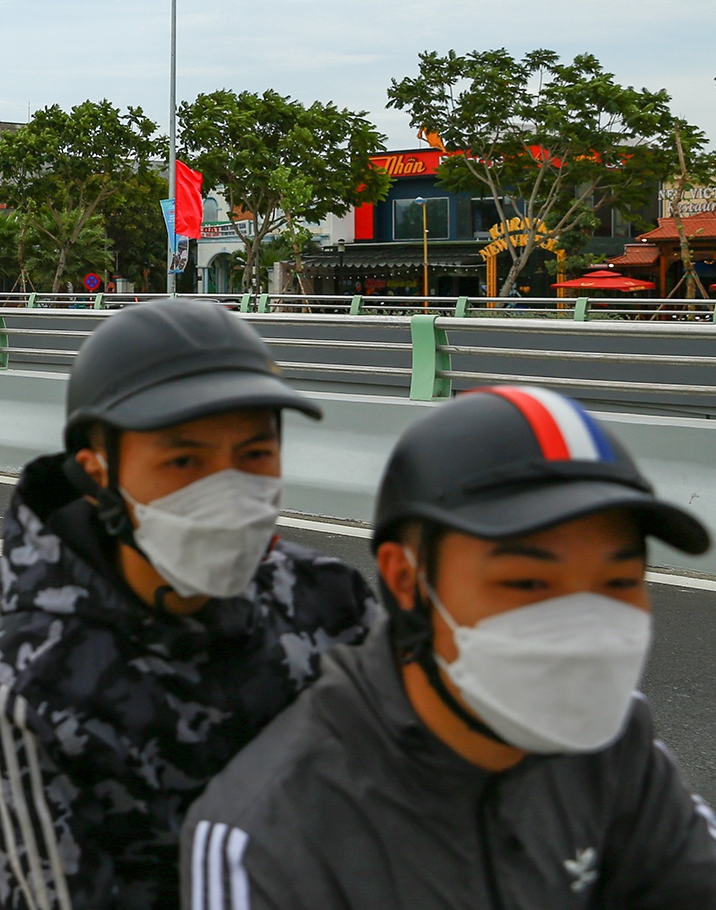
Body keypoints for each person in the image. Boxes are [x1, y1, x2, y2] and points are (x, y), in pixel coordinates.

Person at [182, 385, 716, 908]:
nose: (586, 634)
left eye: (619, 583)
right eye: (527, 584)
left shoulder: (614, 739)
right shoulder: (273, 832)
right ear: (404, 577)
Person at [0, 299, 377, 910]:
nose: (227, 490)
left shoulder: (326, 595)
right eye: (184, 461)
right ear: (98, 477)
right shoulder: (21, 691)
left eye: (255, 455)